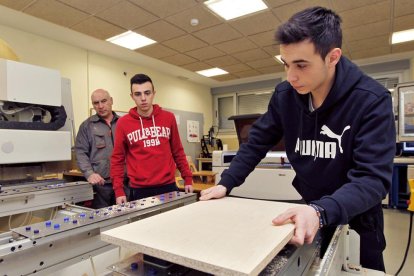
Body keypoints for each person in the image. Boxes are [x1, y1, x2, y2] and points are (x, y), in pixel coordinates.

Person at [200, 6, 395, 272]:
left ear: (333, 57)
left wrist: (321, 211)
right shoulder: (285, 96)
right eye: (286, 64)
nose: (291, 76)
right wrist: (227, 183)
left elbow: (372, 179)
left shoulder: (371, 101)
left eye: (301, 65)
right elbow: (256, 142)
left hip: (358, 219)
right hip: (308, 209)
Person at [111, 73, 193, 204]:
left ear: (153, 93)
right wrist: (119, 190)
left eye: (147, 93)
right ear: (132, 96)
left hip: (168, 186)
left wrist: (187, 178)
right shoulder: (123, 123)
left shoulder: (168, 118)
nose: (143, 98)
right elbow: (117, 159)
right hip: (139, 190)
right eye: (138, 94)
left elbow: (178, 151)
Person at [75, 89, 128, 208]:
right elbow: (80, 152)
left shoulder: (124, 123)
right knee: (104, 221)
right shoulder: (86, 126)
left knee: (128, 219)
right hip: (102, 186)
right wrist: (89, 173)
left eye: (103, 101)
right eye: (96, 103)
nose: (100, 106)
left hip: (125, 183)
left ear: (111, 101)